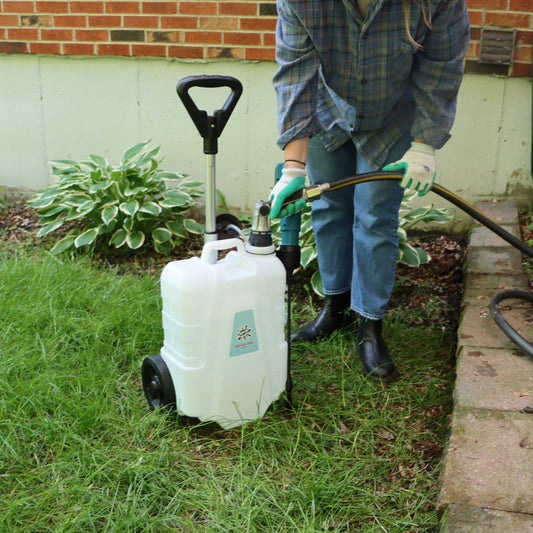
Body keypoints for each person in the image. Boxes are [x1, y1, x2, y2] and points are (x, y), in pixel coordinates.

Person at [269, 0, 470, 379]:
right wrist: (294, 167)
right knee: (328, 208)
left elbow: (442, 69)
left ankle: (369, 325)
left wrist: (424, 146)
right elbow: (295, 74)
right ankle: (335, 308)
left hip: (392, 118)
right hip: (328, 111)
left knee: (375, 216)